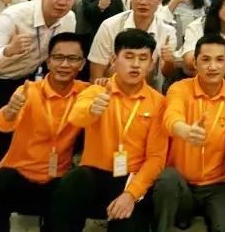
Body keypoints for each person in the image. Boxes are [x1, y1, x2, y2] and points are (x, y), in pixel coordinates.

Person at [0, 0, 80, 201]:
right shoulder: (14, 17)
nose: (62, 1)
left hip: (25, 82)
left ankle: (20, 197)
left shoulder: (69, 19)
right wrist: (8, 51)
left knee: (19, 144)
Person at [48, 29, 168, 231]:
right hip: (94, 177)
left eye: (142, 58)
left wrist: (131, 194)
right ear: (113, 60)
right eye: (128, 56)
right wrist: (92, 110)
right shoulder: (96, 91)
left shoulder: (159, 103)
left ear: (151, 64)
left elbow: (156, 157)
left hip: (131, 180)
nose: (135, 64)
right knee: (74, 180)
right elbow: (76, 117)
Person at [0, 32, 90, 231]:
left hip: (58, 178)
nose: (64, 64)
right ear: (48, 61)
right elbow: (3, 124)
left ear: (82, 64)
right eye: (58, 57)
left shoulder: (86, 93)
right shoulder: (28, 90)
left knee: (74, 191)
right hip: (21, 174)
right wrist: (10, 110)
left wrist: (106, 81)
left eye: (72, 59)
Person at [153, 34, 225, 232]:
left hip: (218, 186)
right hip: (182, 183)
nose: (212, 66)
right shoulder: (179, 89)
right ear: (195, 64)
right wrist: (185, 130)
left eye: (219, 59)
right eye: (205, 60)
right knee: (166, 180)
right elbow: (171, 118)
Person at [89, 0, 176, 89]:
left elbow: (167, 75)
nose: (143, 2)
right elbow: (95, 77)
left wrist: (169, 61)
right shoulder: (109, 26)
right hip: (112, 93)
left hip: (149, 94)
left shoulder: (168, 31)